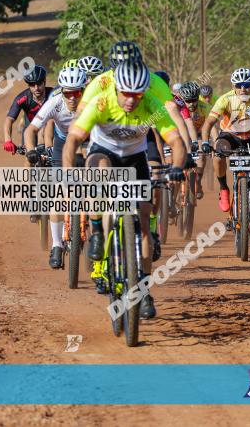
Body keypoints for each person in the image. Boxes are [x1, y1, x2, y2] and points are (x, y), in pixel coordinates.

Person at [64, 59, 187, 319]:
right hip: (103, 153)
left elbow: (174, 140)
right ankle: (97, 230)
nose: (131, 100)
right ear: (116, 89)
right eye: (126, 94)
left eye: (138, 95)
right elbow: (74, 137)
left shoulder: (151, 105)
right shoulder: (101, 102)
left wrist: (177, 167)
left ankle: (143, 288)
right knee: (99, 172)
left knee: (143, 223)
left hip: (135, 160)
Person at [23, 66, 87, 269]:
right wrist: (31, 150)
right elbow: (31, 129)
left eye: (77, 92)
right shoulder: (55, 102)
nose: (72, 98)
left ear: (83, 91)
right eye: (68, 93)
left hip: (88, 142)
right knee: (59, 195)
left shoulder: (93, 103)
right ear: (62, 91)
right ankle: (57, 245)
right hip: (62, 144)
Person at [200, 68, 250, 247]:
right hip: (230, 136)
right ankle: (224, 188)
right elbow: (208, 123)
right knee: (218, 151)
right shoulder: (225, 99)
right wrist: (204, 142)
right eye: (239, 86)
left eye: (247, 85)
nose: (243, 89)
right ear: (234, 86)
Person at [3, 65, 52, 152]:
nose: (36, 88)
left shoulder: (53, 94)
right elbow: (9, 119)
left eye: (39, 83)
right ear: (28, 85)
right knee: (29, 158)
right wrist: (8, 140)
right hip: (30, 130)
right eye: (32, 85)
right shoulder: (22, 98)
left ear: (44, 82)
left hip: (50, 130)